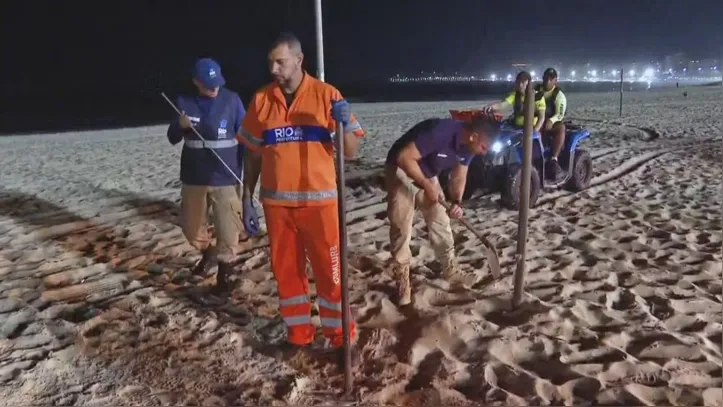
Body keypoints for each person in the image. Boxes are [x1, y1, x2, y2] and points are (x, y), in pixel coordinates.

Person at [235, 32, 366, 362]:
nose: (274, 68)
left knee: (330, 275)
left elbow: (351, 153)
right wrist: (247, 197)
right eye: (270, 63)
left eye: (280, 61)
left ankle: (340, 338)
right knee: (287, 274)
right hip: (277, 206)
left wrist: (344, 123)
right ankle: (298, 335)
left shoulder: (327, 96)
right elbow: (251, 154)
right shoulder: (262, 100)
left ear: (299, 60)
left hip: (320, 204)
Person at [384, 117, 495, 306]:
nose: (484, 152)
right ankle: (402, 279)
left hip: (427, 170)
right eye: (484, 147)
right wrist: (427, 185)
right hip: (401, 168)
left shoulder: (468, 148)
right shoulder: (440, 131)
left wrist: (457, 202)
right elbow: (404, 156)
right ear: (473, 137)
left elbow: (459, 175)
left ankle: (450, 269)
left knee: (440, 219)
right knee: (402, 226)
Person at [166, 57, 247, 293]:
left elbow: (245, 137)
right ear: (195, 82)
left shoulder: (232, 100)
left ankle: (225, 274)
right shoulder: (184, 102)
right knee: (191, 230)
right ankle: (208, 252)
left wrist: (242, 176)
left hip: (226, 175)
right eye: (208, 84)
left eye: (217, 82)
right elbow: (172, 138)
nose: (214, 88)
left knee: (228, 230)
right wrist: (179, 127)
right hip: (194, 176)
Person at [536, 68, 568, 181]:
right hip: (535, 121)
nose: (547, 81)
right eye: (546, 78)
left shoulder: (559, 95)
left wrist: (551, 121)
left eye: (551, 79)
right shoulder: (535, 90)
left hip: (550, 122)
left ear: (555, 81)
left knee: (561, 127)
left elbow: (560, 114)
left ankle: (553, 159)